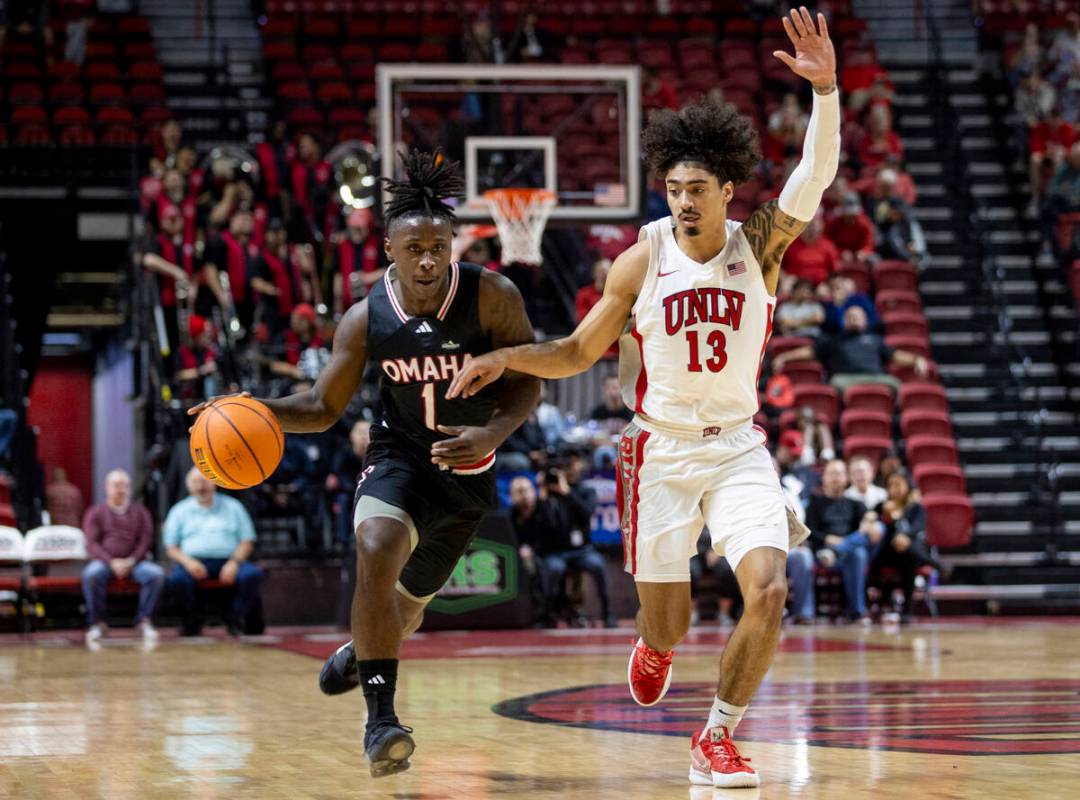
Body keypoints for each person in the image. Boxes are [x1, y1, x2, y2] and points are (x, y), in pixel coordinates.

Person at [447, 8, 835, 788]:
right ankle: (653, 644)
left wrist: (825, 92)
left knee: (769, 586)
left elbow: (812, 178)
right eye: (673, 188)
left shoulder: (756, 245)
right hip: (659, 451)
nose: (684, 201)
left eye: (698, 188)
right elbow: (578, 352)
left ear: (728, 188)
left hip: (736, 448)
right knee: (669, 622)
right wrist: (503, 356)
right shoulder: (643, 256)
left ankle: (716, 735)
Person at [192, 151, 540, 778]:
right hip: (398, 456)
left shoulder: (493, 297)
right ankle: (381, 723)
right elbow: (324, 406)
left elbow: (528, 385)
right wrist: (250, 407)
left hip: (467, 471)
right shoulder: (365, 318)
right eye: (416, 250)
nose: (429, 260)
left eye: (439, 247)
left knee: (403, 611)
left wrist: (491, 430)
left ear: (453, 244)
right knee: (376, 547)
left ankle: (363, 650)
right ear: (389, 250)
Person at [163, 468, 265, 636]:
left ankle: (235, 617)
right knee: (177, 580)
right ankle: (192, 621)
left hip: (230, 560)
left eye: (204, 481)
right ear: (188, 486)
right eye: (196, 482)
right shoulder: (179, 510)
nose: (201, 486)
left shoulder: (234, 507)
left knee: (252, 575)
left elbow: (247, 541)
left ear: (215, 483)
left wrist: (234, 562)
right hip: (193, 562)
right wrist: (188, 562)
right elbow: (171, 547)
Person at [509, 470, 615, 627]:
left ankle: (607, 613)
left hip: (581, 551)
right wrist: (543, 497)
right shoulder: (542, 500)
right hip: (555, 553)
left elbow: (585, 513)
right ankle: (549, 614)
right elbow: (546, 525)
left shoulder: (579, 492)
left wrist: (567, 493)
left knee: (597, 564)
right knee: (553, 569)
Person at [81, 469, 164, 648]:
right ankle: (97, 623)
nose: (120, 489)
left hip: (134, 563)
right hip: (105, 562)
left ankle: (144, 621)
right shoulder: (95, 513)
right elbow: (91, 544)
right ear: (106, 487)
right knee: (91, 574)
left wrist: (132, 560)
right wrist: (111, 562)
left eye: (124, 485)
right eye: (116, 485)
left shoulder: (140, 512)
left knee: (155, 574)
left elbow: (146, 540)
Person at [772, 305, 928, 393]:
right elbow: (809, 352)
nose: (854, 319)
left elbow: (895, 355)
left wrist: (916, 359)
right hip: (845, 379)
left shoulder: (875, 339)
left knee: (898, 385)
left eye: (858, 316)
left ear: (865, 320)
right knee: (834, 386)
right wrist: (784, 357)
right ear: (844, 320)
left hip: (876, 378)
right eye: (850, 316)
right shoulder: (833, 340)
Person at [805, 459, 882, 622]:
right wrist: (828, 538)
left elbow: (869, 524)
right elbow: (809, 532)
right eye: (831, 474)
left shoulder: (855, 503)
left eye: (839, 474)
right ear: (824, 478)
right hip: (822, 553)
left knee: (863, 548)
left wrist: (871, 523)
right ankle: (857, 610)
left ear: (846, 478)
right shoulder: (815, 503)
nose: (835, 478)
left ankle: (856, 613)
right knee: (858, 552)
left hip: (845, 553)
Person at [872, 469, 941, 622]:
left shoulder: (916, 508)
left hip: (907, 555)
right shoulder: (880, 507)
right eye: (890, 485)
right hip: (885, 554)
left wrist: (897, 519)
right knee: (902, 545)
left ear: (908, 486)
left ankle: (906, 609)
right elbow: (880, 535)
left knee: (908, 552)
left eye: (898, 484)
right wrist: (889, 518)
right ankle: (935, 563)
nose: (894, 489)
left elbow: (915, 529)